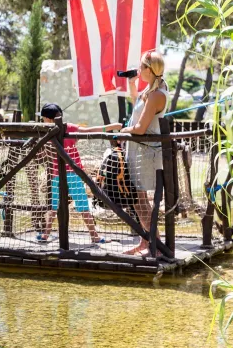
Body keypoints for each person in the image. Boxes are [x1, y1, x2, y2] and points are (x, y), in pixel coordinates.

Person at [38, 103, 122, 244]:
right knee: (81, 206)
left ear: (48, 119)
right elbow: (89, 130)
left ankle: (46, 234)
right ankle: (94, 236)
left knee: (54, 206)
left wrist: (110, 127)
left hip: (59, 174)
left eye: (43, 119)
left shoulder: (48, 130)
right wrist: (110, 127)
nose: (42, 121)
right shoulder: (68, 127)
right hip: (72, 173)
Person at [120, 50, 168, 255]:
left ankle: (154, 244)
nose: (138, 70)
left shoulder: (157, 94)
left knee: (142, 200)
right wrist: (131, 85)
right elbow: (138, 109)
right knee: (138, 200)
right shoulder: (149, 90)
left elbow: (139, 127)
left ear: (149, 69)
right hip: (137, 151)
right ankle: (145, 241)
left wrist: (124, 131)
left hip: (147, 153)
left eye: (141, 66)